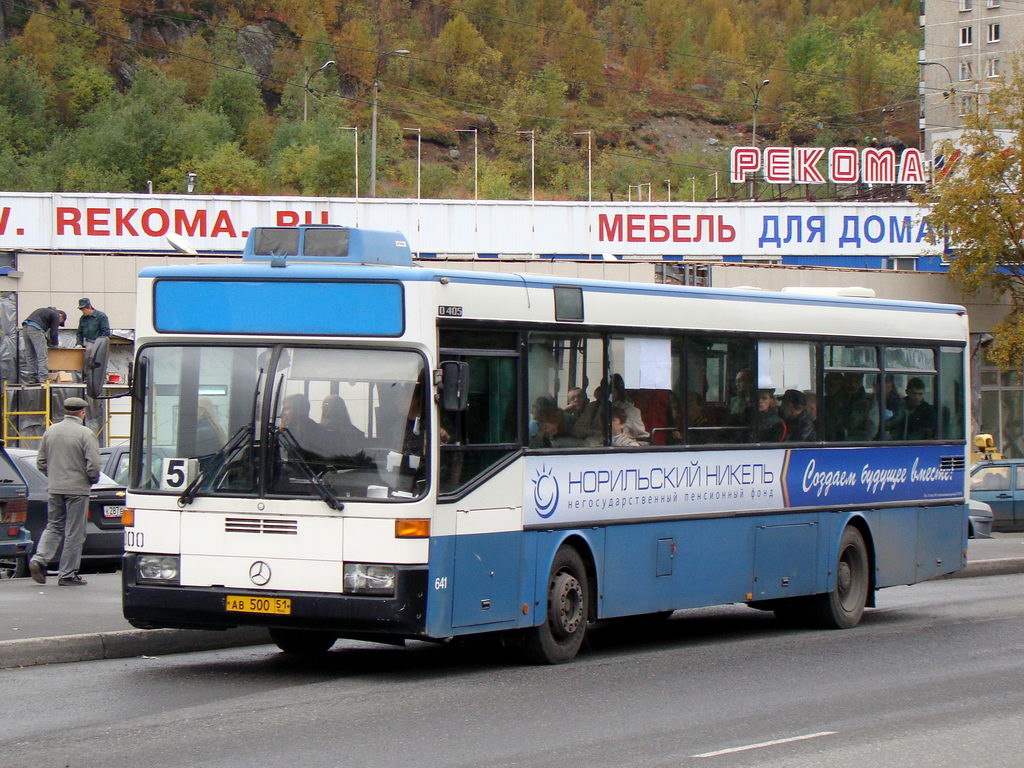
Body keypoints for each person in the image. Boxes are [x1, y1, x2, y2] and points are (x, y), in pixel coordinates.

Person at [27, 397, 101, 586]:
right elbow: (93, 465)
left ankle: (39, 559)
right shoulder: (86, 434)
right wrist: (91, 480)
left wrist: (54, 476)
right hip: (77, 489)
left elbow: (41, 463)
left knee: (54, 525)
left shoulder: (50, 432)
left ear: (66, 411)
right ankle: (67, 573)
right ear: (82, 413)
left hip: (55, 487)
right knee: (74, 532)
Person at [21, 306, 66, 385]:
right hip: (35, 329)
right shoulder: (55, 315)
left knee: (31, 355)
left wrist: (48, 342)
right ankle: (44, 378)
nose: (58, 324)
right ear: (61, 316)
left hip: (25, 328)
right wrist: (55, 345)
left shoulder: (45, 312)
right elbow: (54, 333)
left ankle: (32, 378)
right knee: (42, 355)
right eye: (60, 322)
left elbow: (45, 335)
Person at [609, 373, 648, 441]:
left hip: (621, 446)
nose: (609, 393)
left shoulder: (631, 411)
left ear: (618, 390)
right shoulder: (600, 408)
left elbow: (642, 437)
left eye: (611, 390)